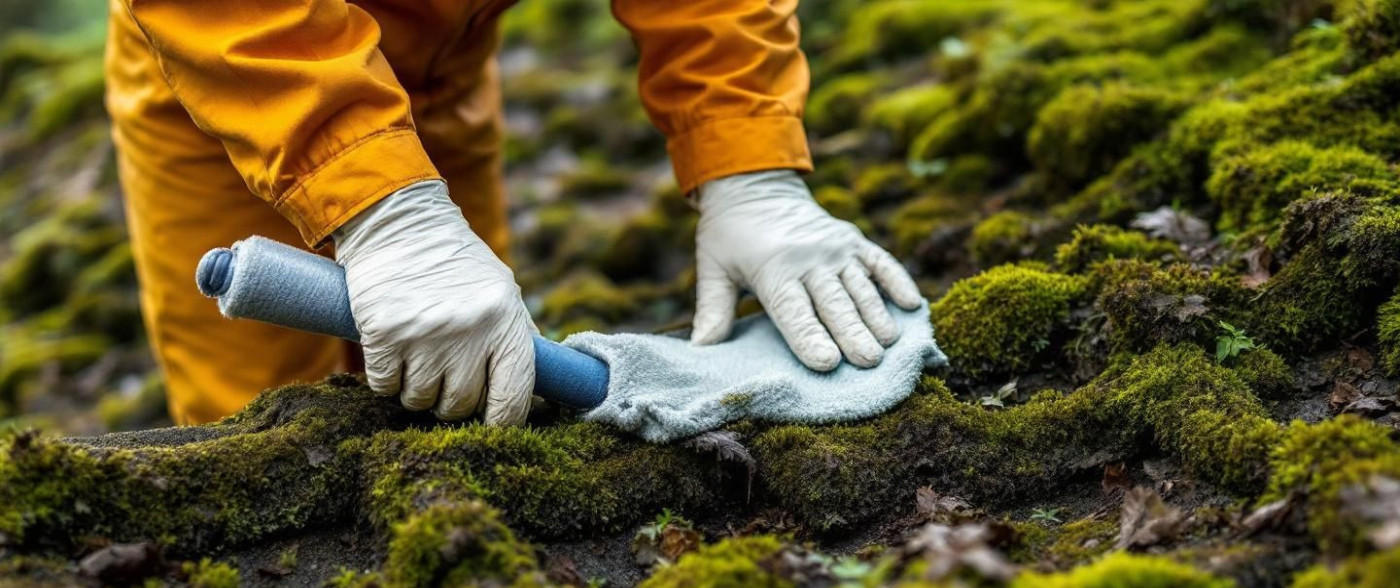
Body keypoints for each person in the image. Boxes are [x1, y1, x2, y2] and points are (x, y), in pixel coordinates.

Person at [105, 0, 924, 426]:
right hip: (230, 84)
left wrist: (747, 161)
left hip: (444, 71)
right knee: (254, 424)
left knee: (461, 383)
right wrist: (385, 209)